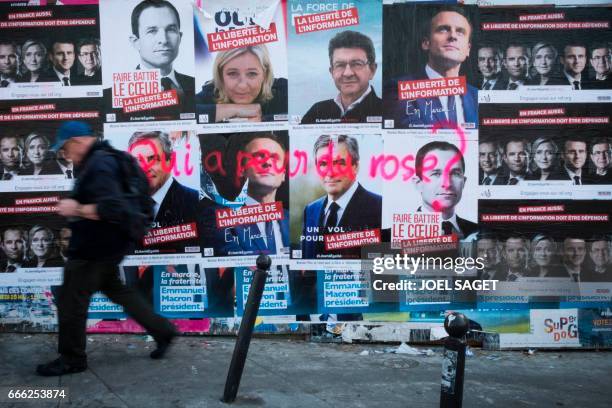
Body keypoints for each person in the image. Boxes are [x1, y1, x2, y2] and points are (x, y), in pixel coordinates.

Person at [36, 121, 176, 377]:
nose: (66, 156)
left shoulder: (99, 165)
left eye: (66, 149)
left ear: (76, 142)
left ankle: (72, 359)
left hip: (93, 250)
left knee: (70, 301)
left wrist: (75, 209)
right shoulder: (107, 158)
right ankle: (163, 331)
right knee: (120, 292)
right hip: (109, 247)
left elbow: (113, 209)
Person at [384, 6, 478, 128]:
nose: (453, 36)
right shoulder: (398, 89)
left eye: (460, 32)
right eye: (443, 29)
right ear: (426, 43)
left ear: (468, 50)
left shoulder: (476, 96)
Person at [301, 135, 381, 259]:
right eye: (323, 164)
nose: (330, 172)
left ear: (355, 167)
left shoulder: (379, 207)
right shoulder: (311, 210)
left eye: (339, 163)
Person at [127, 131, 199, 251]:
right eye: (138, 161)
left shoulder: (196, 203)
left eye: (152, 159)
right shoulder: (125, 204)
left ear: (170, 161)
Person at [223, 134, 288, 255]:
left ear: (283, 174)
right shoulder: (222, 221)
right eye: (259, 156)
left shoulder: (295, 221)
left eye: (274, 158)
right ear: (242, 169)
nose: (268, 162)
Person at [301, 30, 381, 124]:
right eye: (340, 65)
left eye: (356, 64)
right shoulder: (316, 112)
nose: (347, 73)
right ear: (332, 72)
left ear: (372, 70)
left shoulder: (388, 111)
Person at [128, 0, 194, 109]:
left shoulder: (196, 87)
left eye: (171, 30)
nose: (163, 40)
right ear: (136, 42)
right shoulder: (111, 97)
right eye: (152, 31)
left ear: (180, 37)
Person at [196, 44, 286, 123]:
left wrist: (262, 120)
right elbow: (185, 113)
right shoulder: (210, 93)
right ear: (220, 75)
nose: (242, 85)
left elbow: (299, 115)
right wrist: (235, 110)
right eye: (232, 73)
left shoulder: (281, 91)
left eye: (252, 74)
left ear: (264, 75)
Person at [414, 141, 477, 238]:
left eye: (455, 173)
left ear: (464, 182)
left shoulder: (481, 232)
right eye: (436, 174)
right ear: (418, 183)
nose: (447, 184)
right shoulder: (388, 237)